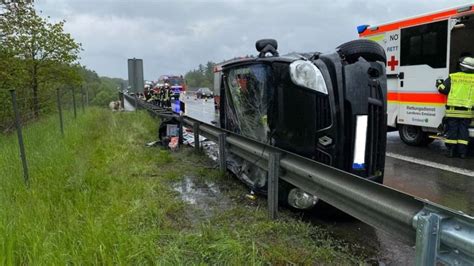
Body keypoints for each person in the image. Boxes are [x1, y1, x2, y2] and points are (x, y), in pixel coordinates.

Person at [437, 56, 474, 158]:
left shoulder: (453, 77)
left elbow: (443, 89)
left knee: (452, 130)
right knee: (463, 131)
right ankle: (462, 153)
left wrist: (439, 83)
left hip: (453, 111)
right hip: (467, 112)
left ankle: (451, 151)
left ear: (462, 67)